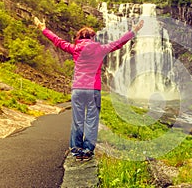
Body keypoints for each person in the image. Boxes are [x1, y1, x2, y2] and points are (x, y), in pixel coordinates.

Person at [34, 16, 144, 161]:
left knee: (77, 120)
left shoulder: (75, 49)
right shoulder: (100, 49)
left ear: (79, 37)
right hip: (93, 89)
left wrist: (43, 29)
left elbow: (58, 41)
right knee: (92, 119)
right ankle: (87, 150)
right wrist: (134, 31)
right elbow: (118, 43)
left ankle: (76, 149)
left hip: (78, 89)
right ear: (93, 37)